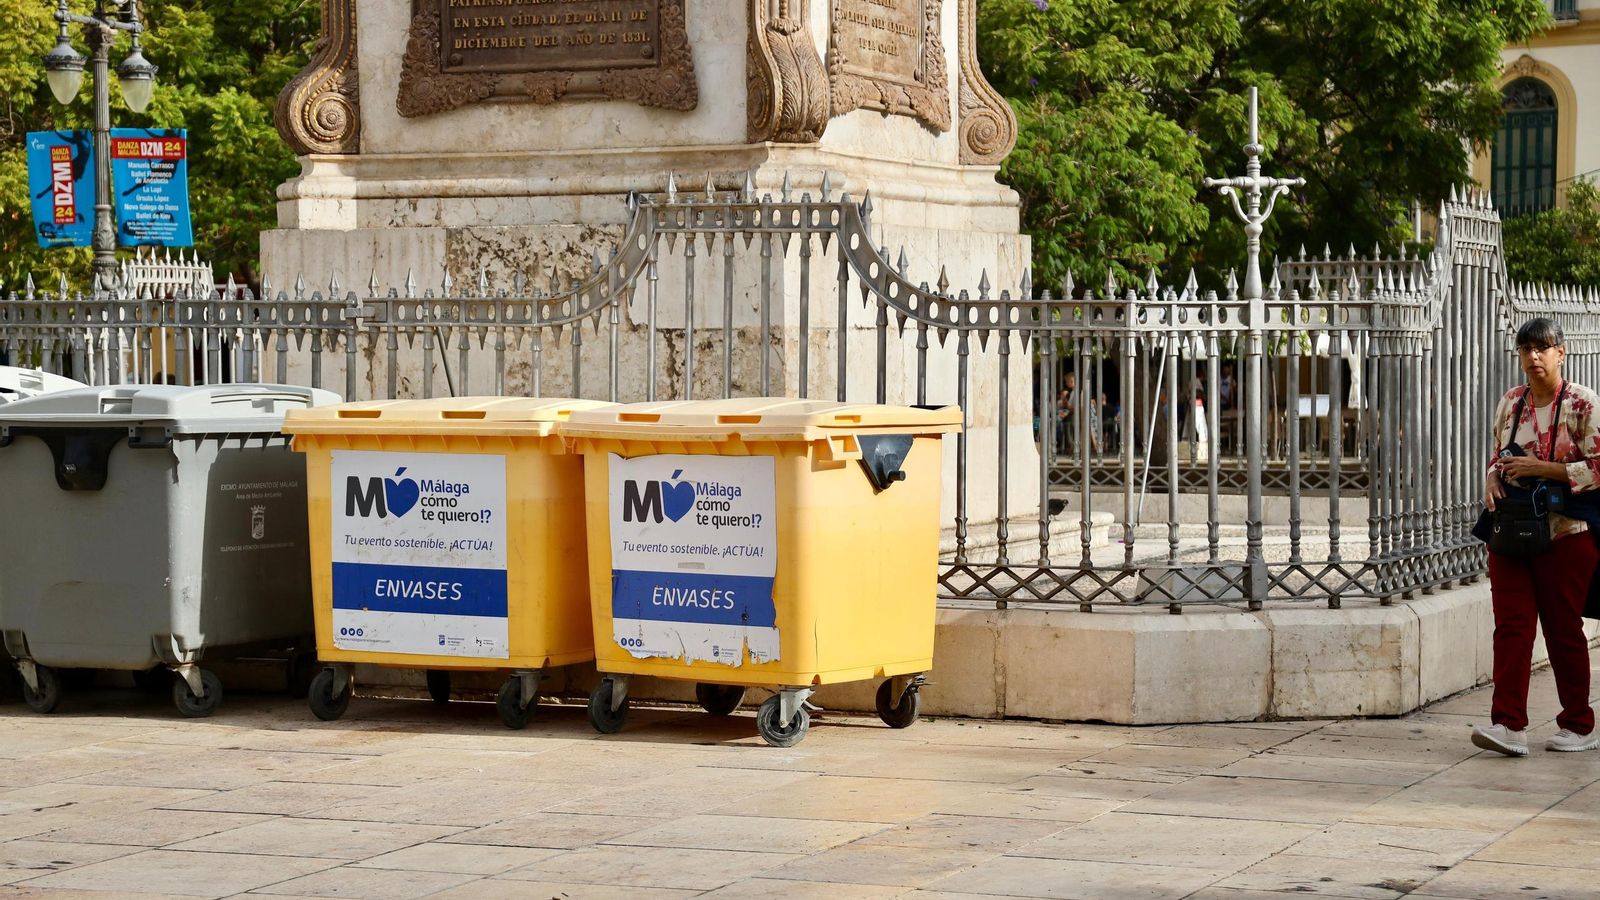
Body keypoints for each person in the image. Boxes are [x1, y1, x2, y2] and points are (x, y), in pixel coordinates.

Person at [1475, 318, 1600, 757]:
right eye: (1526, 349)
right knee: (1511, 626)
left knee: (1563, 628)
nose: (1533, 357)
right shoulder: (1511, 402)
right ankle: (1508, 725)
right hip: (1510, 530)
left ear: (1560, 353)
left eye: (1542, 349)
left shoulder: (1584, 405)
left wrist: (1542, 470)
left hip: (1567, 533)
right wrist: (1492, 479)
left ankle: (1579, 724)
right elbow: (1498, 456)